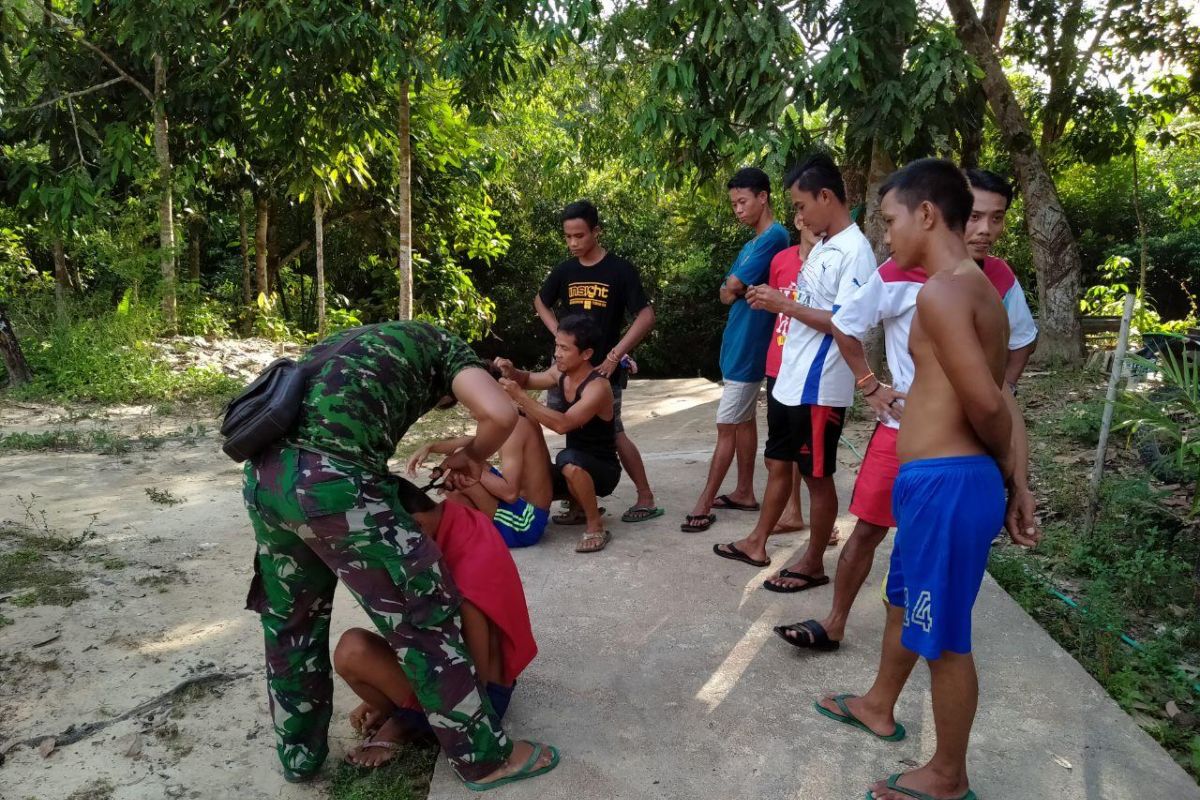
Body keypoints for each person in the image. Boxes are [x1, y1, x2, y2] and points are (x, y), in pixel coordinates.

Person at [241, 321, 558, 790]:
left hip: (265, 477)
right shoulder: (448, 349)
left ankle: (299, 757)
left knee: (291, 625)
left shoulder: (355, 342)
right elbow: (499, 415)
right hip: (333, 483)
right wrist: (473, 454)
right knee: (424, 617)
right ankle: (485, 759)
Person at [816, 159, 1040, 800]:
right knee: (905, 601)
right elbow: (1001, 393)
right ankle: (878, 705)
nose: (886, 236)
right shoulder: (972, 289)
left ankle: (947, 775)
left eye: (889, 221)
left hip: (948, 483)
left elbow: (990, 406)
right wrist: (1016, 483)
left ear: (926, 214)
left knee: (942, 636)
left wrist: (1004, 476)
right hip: (936, 483)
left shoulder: (943, 292)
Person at [774, 167, 1039, 652]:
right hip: (911, 435)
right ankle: (842, 631)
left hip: (955, 455)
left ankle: (900, 679)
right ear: (943, 217)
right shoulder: (905, 275)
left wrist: (1012, 468)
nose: (982, 230)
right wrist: (870, 385)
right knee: (880, 544)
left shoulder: (988, 281)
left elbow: (999, 383)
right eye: (974, 217)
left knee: (933, 612)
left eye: (994, 219)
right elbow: (846, 323)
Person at [713, 155, 874, 579]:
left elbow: (845, 325)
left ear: (825, 196)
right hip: (790, 379)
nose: (798, 215)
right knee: (778, 462)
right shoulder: (823, 246)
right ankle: (756, 542)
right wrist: (777, 301)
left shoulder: (855, 251)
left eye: (801, 206)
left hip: (819, 387)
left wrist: (783, 303)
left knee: (816, 476)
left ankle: (813, 563)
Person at [336, 479, 537, 768]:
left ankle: (406, 726)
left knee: (352, 651)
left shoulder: (463, 578)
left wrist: (397, 706)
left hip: (479, 699)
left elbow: (471, 684)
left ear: (413, 528)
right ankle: (404, 716)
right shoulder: (459, 517)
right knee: (363, 650)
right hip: (477, 674)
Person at [534, 200, 661, 524]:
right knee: (570, 432)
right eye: (567, 237)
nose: (573, 243)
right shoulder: (565, 270)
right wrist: (557, 333)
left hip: (601, 370)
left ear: (596, 231)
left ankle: (644, 495)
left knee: (613, 433)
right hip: (565, 369)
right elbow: (540, 300)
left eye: (580, 236)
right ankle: (578, 502)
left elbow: (646, 315)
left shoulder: (619, 270)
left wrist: (615, 355)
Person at [682, 167, 789, 533]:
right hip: (738, 344)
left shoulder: (774, 237)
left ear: (764, 197)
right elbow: (726, 292)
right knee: (742, 421)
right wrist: (736, 287)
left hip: (749, 349)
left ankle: (704, 500)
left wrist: (736, 286)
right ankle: (744, 491)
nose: (738, 210)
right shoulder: (751, 244)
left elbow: (733, 285)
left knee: (726, 424)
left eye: (743, 201)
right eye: (733, 204)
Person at [497, 314, 620, 553]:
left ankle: (595, 526)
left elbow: (563, 424)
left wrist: (520, 397)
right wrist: (511, 371)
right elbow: (528, 379)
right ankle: (577, 507)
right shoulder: (560, 373)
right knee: (537, 457)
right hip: (573, 464)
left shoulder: (598, 387)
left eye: (564, 348)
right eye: (556, 346)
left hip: (603, 471)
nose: (557, 354)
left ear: (586, 354)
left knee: (568, 460)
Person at [407, 401, 555, 548]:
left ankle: (472, 536)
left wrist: (470, 468)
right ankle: (470, 532)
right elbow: (468, 443)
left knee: (461, 475)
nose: (465, 406)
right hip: (522, 509)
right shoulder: (512, 417)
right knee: (460, 465)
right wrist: (431, 447)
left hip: (525, 523)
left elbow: (510, 494)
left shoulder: (515, 430)